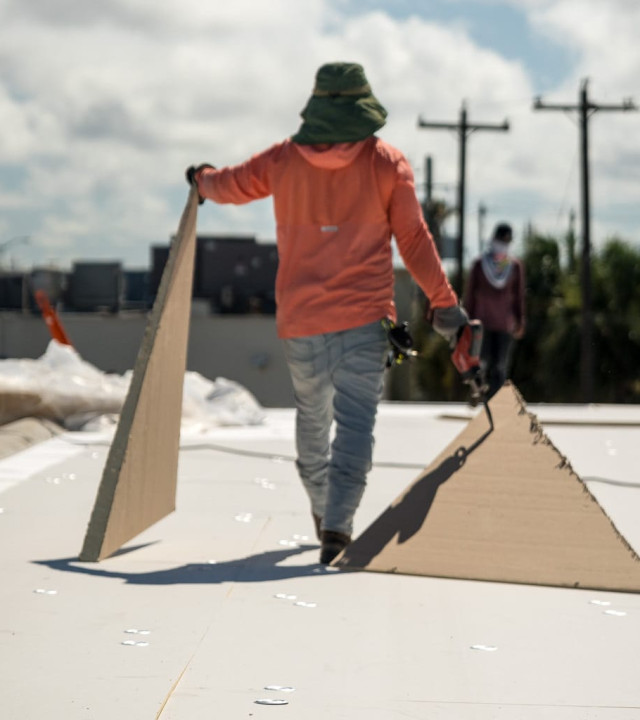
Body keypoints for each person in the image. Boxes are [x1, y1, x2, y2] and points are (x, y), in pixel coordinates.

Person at [186, 62, 467, 564]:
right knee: (356, 425)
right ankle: (338, 523)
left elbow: (231, 185)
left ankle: (322, 507)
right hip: (365, 322)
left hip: (301, 321)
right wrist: (445, 305)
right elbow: (415, 242)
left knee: (312, 418)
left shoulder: (284, 160)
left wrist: (201, 180)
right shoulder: (387, 163)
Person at [463, 222, 526, 399]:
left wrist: (520, 321)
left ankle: (494, 401)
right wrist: (466, 322)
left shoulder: (514, 267)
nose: (503, 244)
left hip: (504, 325)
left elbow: (519, 296)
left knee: (500, 366)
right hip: (481, 324)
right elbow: (470, 296)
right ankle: (477, 393)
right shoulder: (479, 264)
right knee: (481, 363)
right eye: (501, 240)